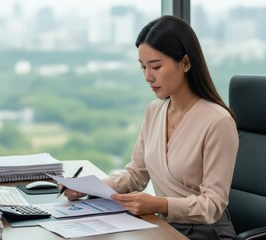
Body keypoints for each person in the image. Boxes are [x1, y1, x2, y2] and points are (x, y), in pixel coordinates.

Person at [63, 15, 239, 240]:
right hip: (164, 226)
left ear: (185, 63)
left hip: (206, 233)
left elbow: (212, 205)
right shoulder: (154, 111)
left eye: (155, 66)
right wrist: (90, 187)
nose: (148, 76)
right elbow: (136, 175)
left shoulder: (218, 122)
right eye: (143, 67)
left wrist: (159, 204)